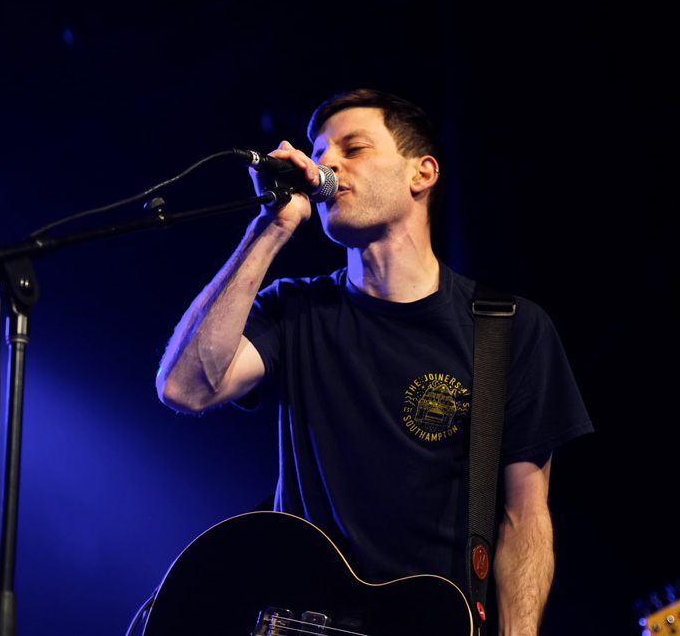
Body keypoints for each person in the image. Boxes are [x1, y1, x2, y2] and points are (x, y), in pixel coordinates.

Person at [156, 89, 592, 635]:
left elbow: (524, 517)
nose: (325, 165)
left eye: (353, 148)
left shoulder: (509, 329)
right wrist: (270, 228)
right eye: (320, 153)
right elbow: (186, 388)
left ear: (422, 174)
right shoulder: (295, 311)